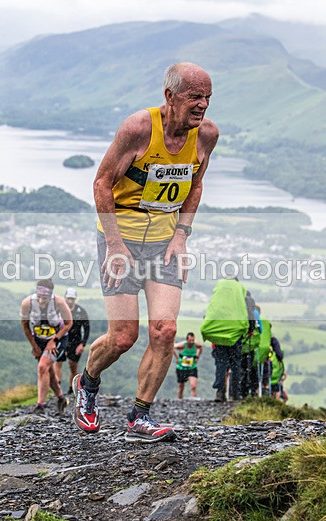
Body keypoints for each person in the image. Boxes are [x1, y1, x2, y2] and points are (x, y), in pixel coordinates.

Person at [73, 62, 218, 443]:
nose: (202, 105)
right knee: (123, 337)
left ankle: (140, 416)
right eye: (194, 97)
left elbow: (196, 186)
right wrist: (116, 246)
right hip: (120, 237)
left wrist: (182, 236)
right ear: (170, 97)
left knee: (165, 330)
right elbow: (102, 183)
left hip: (165, 242)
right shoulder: (138, 128)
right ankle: (87, 383)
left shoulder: (206, 136)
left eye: (207, 97)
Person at [20, 278, 73, 415]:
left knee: (42, 367)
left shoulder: (59, 302)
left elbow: (69, 323)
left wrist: (54, 340)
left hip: (58, 339)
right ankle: (61, 398)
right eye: (39, 297)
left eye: (45, 298)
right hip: (39, 339)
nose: (41, 301)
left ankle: (40, 406)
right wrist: (34, 346)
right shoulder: (27, 303)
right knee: (47, 371)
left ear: (50, 296)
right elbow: (25, 325)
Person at [200, 278, 250, 402]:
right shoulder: (240, 291)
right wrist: (251, 328)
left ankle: (220, 392)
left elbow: (212, 310)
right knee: (235, 365)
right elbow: (248, 311)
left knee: (221, 364)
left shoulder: (219, 291)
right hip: (235, 334)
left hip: (219, 334)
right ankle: (234, 394)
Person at [54, 287, 90, 394]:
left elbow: (86, 328)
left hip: (75, 341)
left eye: (72, 299)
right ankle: (57, 387)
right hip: (61, 339)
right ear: (65, 298)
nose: (70, 301)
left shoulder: (80, 311)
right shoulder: (58, 310)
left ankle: (72, 389)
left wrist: (82, 344)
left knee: (73, 365)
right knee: (58, 362)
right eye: (68, 298)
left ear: (75, 299)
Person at [173, 332, 202, 399]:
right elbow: (172, 347)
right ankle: (179, 400)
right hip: (181, 368)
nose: (191, 342)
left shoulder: (196, 345)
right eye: (190, 341)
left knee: (193, 386)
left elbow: (200, 348)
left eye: (193, 340)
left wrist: (197, 356)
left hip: (192, 368)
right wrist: (177, 358)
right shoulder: (182, 345)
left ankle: (194, 401)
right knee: (181, 386)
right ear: (187, 340)